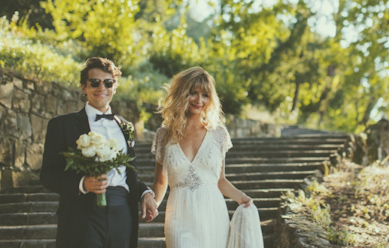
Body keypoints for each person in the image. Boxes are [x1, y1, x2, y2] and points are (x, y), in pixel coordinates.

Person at [40, 57, 158, 248]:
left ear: (115, 87)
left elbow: (129, 174)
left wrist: (145, 193)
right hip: (82, 214)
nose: (101, 87)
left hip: (122, 213)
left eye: (108, 82)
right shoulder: (62, 125)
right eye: (94, 82)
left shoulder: (126, 127)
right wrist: (82, 183)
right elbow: (48, 175)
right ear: (83, 88)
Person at [150, 67, 258, 248]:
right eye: (193, 93)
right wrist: (152, 205)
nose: (199, 100)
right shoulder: (164, 135)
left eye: (205, 95)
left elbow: (220, 180)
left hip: (213, 212)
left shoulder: (218, 134)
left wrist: (241, 197)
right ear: (181, 93)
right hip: (178, 214)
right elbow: (160, 182)